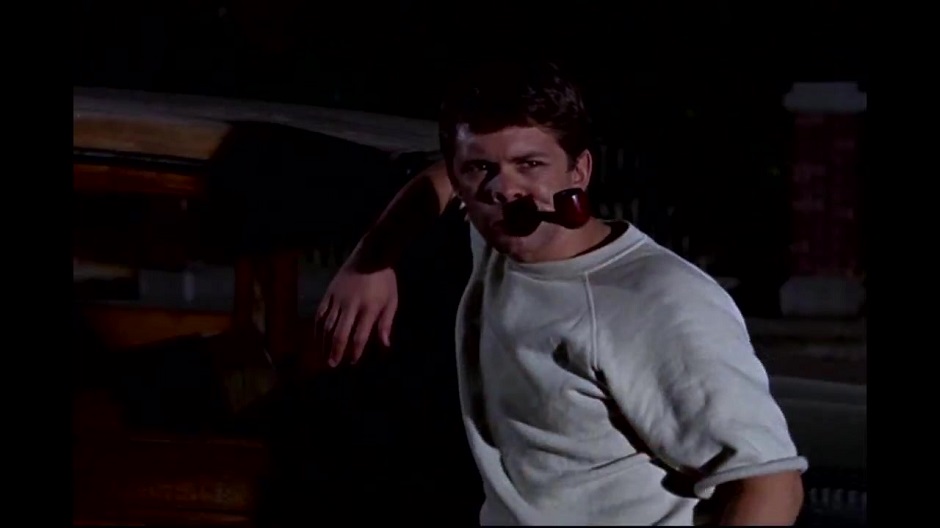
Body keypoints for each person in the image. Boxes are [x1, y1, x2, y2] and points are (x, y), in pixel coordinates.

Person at [314, 61, 806, 525]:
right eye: (481, 169)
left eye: (530, 164)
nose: (505, 189)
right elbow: (443, 173)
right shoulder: (502, 240)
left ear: (580, 171)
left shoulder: (657, 302)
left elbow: (770, 485)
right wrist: (372, 259)